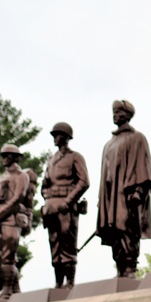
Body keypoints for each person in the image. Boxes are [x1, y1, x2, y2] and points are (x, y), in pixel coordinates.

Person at [97, 100, 151, 278]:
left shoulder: (136, 137)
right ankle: (119, 267)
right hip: (111, 196)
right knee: (114, 228)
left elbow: (143, 164)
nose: (114, 115)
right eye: (113, 112)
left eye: (118, 111)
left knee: (127, 227)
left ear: (127, 114)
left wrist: (138, 190)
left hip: (128, 194)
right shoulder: (109, 143)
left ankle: (130, 267)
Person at [41, 122, 89, 288]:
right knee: (54, 244)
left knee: (67, 244)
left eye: (58, 134)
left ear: (67, 137)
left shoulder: (75, 157)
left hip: (66, 208)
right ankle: (58, 282)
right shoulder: (51, 160)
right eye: (53, 135)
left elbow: (84, 182)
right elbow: (44, 184)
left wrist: (68, 201)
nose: (55, 138)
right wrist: (47, 196)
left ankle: (70, 282)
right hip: (51, 207)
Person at [0, 144, 34, 298]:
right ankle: (15, 289)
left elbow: (16, 199)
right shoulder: (1, 178)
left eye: (8, 155)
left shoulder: (21, 176)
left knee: (8, 255)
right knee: (3, 256)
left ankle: (7, 290)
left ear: (15, 157)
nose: (4, 158)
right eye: (3, 155)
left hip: (11, 218)